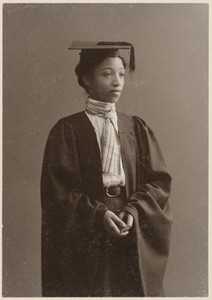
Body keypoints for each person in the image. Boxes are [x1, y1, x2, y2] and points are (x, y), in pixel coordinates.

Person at [41, 41, 172, 297]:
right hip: (87, 225)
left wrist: (134, 210)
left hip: (128, 219)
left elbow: (158, 181)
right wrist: (98, 215)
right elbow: (57, 191)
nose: (117, 81)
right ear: (86, 79)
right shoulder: (67, 130)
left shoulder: (135, 128)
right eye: (107, 74)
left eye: (121, 74)